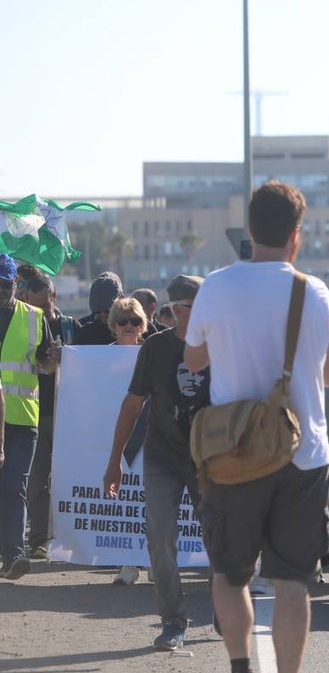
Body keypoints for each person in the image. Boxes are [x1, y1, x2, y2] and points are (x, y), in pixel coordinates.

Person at [183, 180, 329, 673]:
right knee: (292, 579)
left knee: (230, 573)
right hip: (303, 454)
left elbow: (192, 359)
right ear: (297, 235)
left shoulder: (216, 287)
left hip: (236, 453)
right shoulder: (312, 292)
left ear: (249, 231)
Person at [103, 275, 210, 651]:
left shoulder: (223, 347)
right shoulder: (156, 349)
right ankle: (173, 621)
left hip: (209, 459)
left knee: (224, 538)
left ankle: (230, 611)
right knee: (161, 539)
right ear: (174, 311)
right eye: (190, 309)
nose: (198, 315)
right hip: (163, 456)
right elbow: (133, 404)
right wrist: (114, 461)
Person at [0, 253, 56, 581]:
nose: (1, 290)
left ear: (16, 283)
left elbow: (45, 365)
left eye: (6, 284)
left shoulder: (35, 318)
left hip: (21, 418)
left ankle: (14, 554)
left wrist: (52, 359)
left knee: (15, 483)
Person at [23, 272, 76, 559]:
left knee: (70, 476)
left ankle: (72, 538)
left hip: (68, 413)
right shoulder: (26, 326)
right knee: (38, 479)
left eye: (45, 305)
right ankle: (39, 539)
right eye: (34, 305)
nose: (40, 311)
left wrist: (66, 357)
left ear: (54, 298)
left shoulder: (70, 327)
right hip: (37, 411)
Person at [106, 296, 150, 586]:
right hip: (115, 437)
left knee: (151, 502)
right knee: (124, 504)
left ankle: (154, 561)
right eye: (122, 321)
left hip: (150, 436)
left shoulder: (152, 352)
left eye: (134, 320)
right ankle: (128, 563)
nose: (129, 326)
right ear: (113, 325)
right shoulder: (100, 356)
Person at [74, 271, 123, 345]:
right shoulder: (83, 331)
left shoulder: (134, 325)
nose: (102, 315)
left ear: (122, 299)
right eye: (97, 312)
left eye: (107, 311)